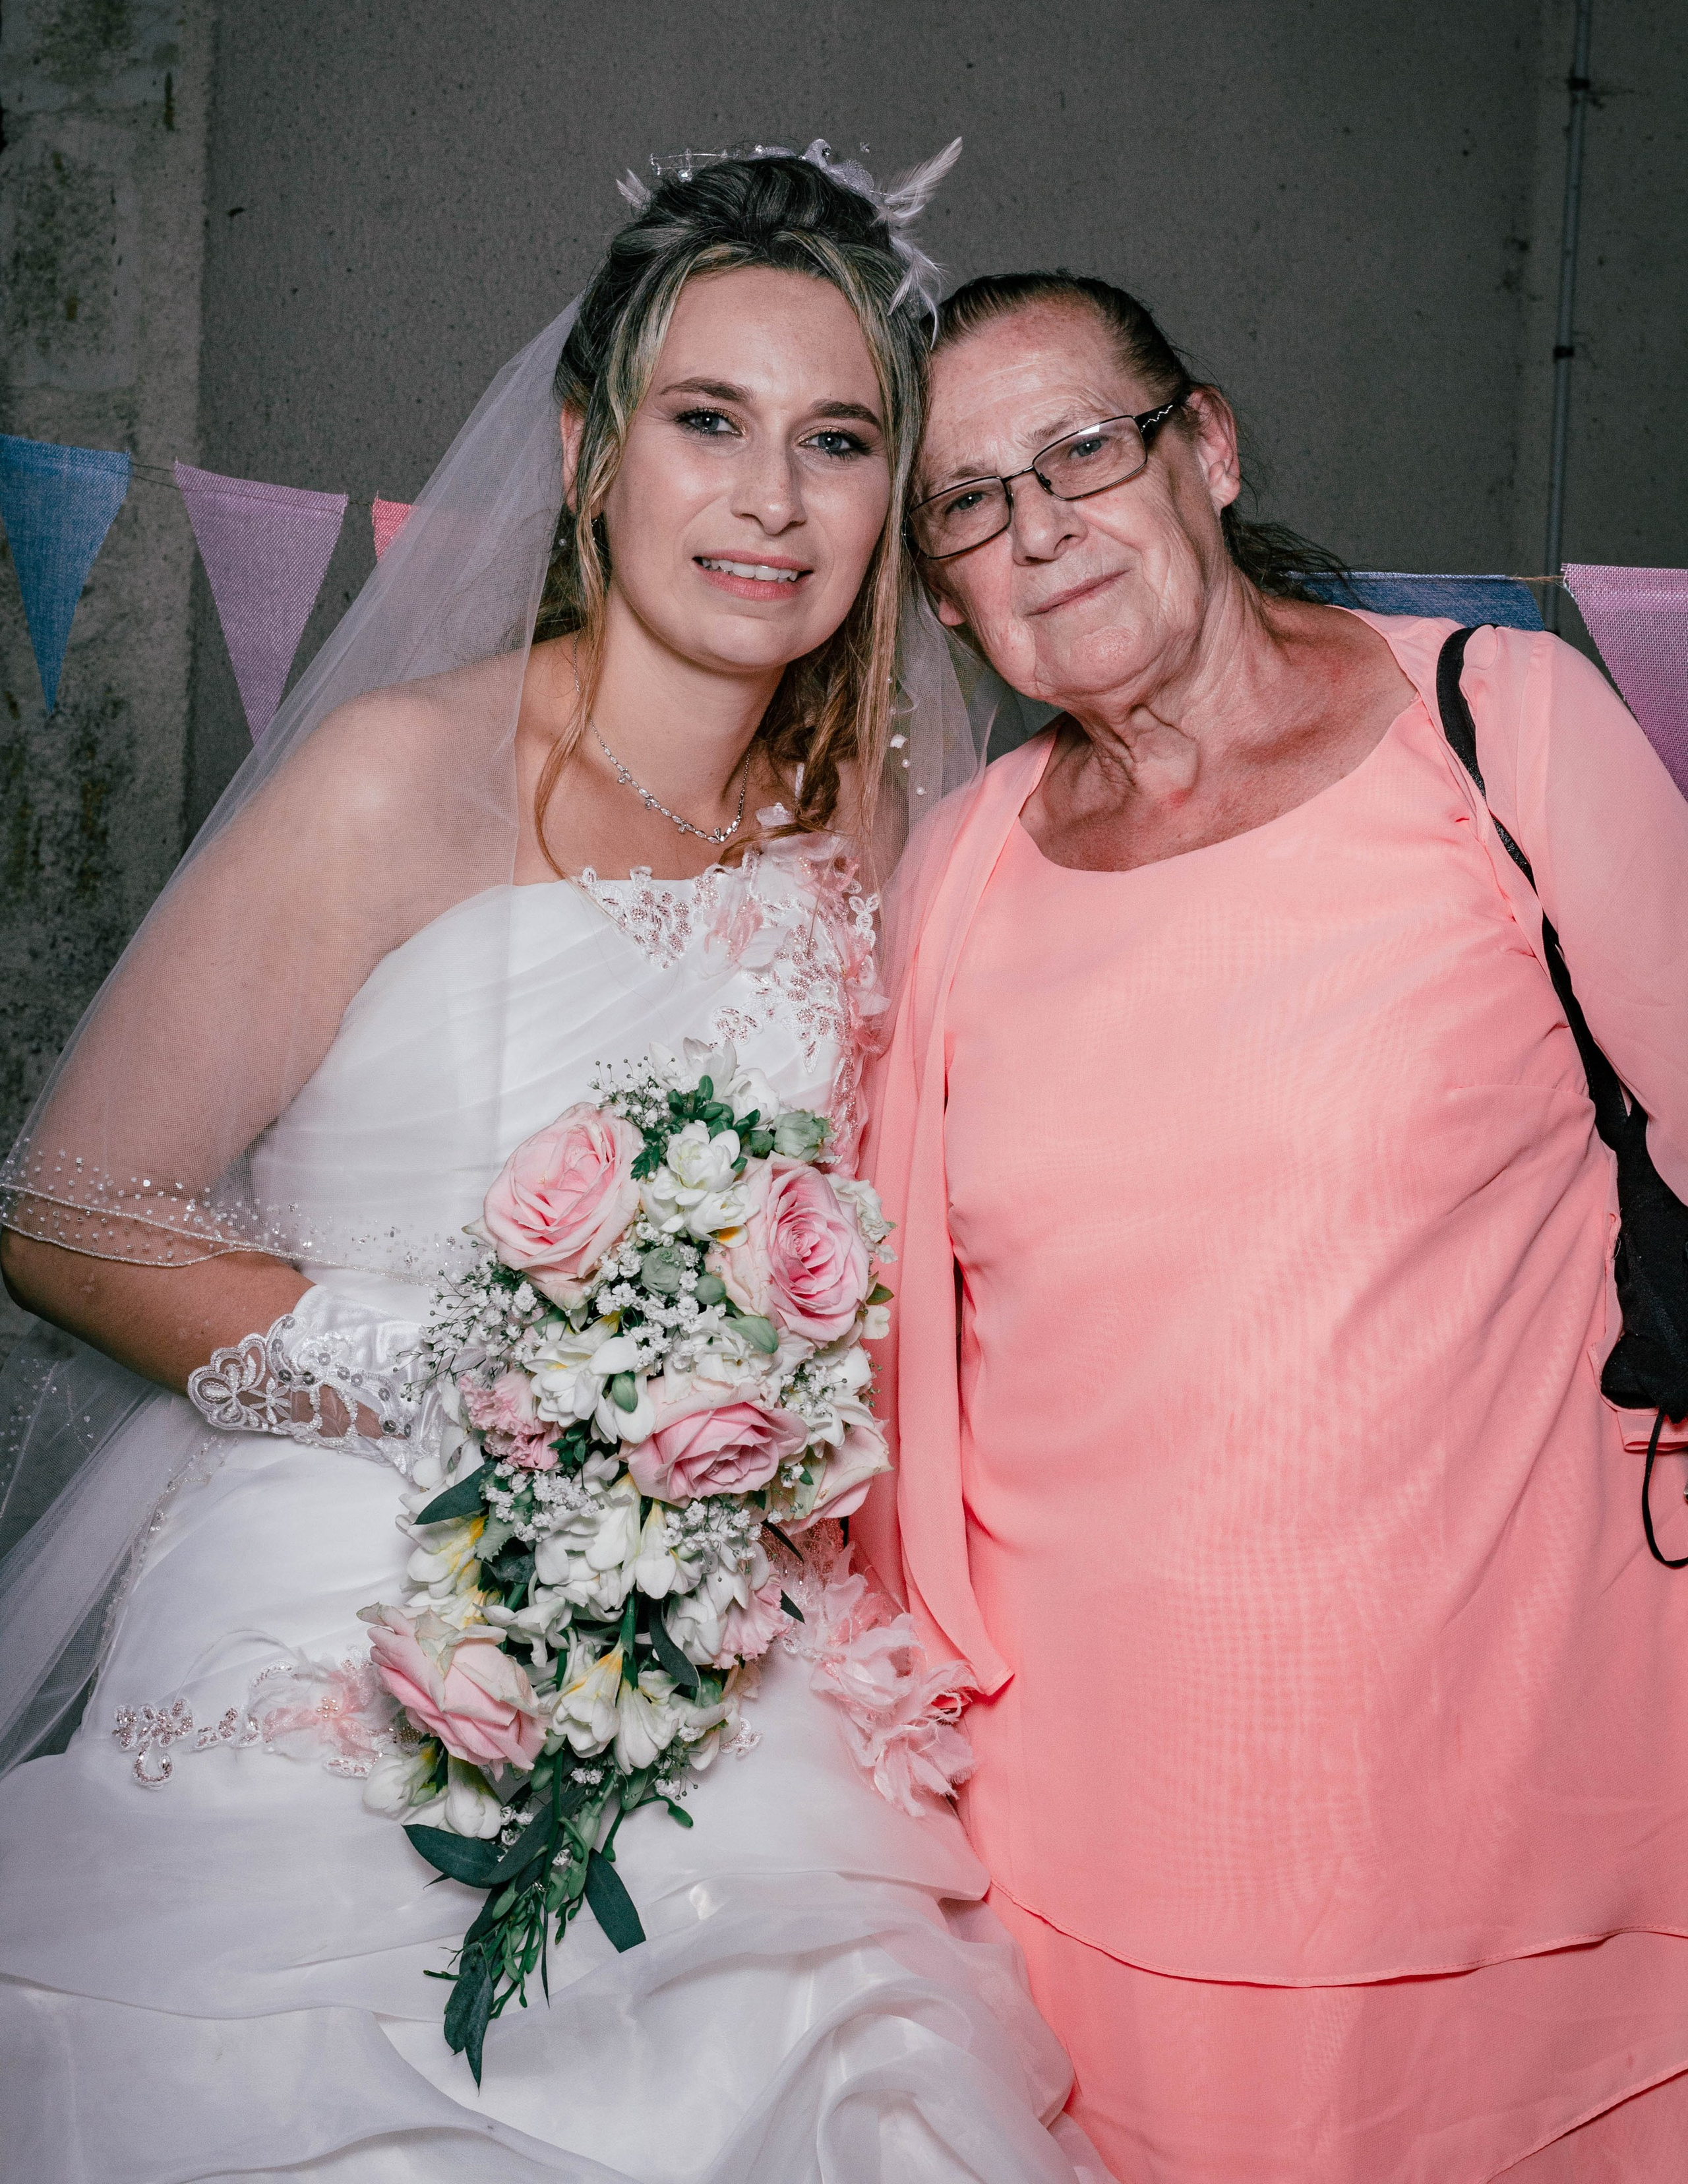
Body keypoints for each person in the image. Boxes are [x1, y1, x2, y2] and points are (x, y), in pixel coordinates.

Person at [0, 162, 1105, 2184]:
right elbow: (71, 1214)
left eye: (837, 440)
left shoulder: (883, 816)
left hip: (725, 1619)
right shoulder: (397, 776)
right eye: (710, 420)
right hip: (341, 1585)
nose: (772, 496)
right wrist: (496, 1398)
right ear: (592, 449)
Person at [859, 266, 1688, 2183]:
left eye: (1083, 449)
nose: (1039, 527)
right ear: (943, 583)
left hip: (1520, 1846)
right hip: (1091, 1877)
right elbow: (905, 1390)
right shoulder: (960, 870)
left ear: (1206, 447)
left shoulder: (1500, 734)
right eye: (969, 503)